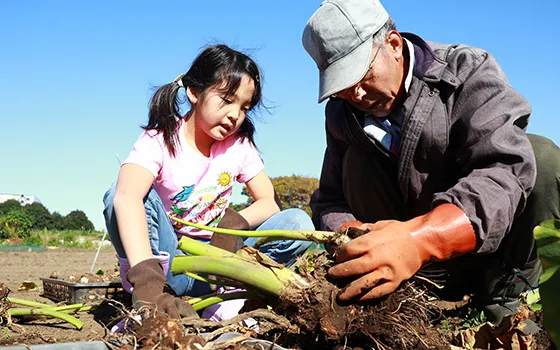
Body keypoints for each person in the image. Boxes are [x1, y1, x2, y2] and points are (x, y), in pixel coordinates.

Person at [302, 0, 560, 323]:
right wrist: (353, 237)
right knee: (356, 163)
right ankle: (400, 294)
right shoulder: (342, 114)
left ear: (393, 45)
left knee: (541, 158)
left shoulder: (467, 71)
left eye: (362, 75)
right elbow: (329, 200)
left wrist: (419, 239)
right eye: (341, 86)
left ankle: (504, 293)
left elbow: (503, 174)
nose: (355, 94)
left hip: (480, 255)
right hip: (414, 271)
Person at [103, 44, 313, 319]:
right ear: (193, 92)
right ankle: (157, 298)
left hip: (219, 266)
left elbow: (268, 203)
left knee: (298, 222)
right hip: (170, 264)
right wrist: (147, 282)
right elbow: (125, 197)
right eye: (226, 100)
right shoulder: (160, 140)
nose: (235, 115)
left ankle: (237, 296)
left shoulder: (239, 146)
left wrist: (230, 225)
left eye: (244, 107)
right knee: (116, 193)